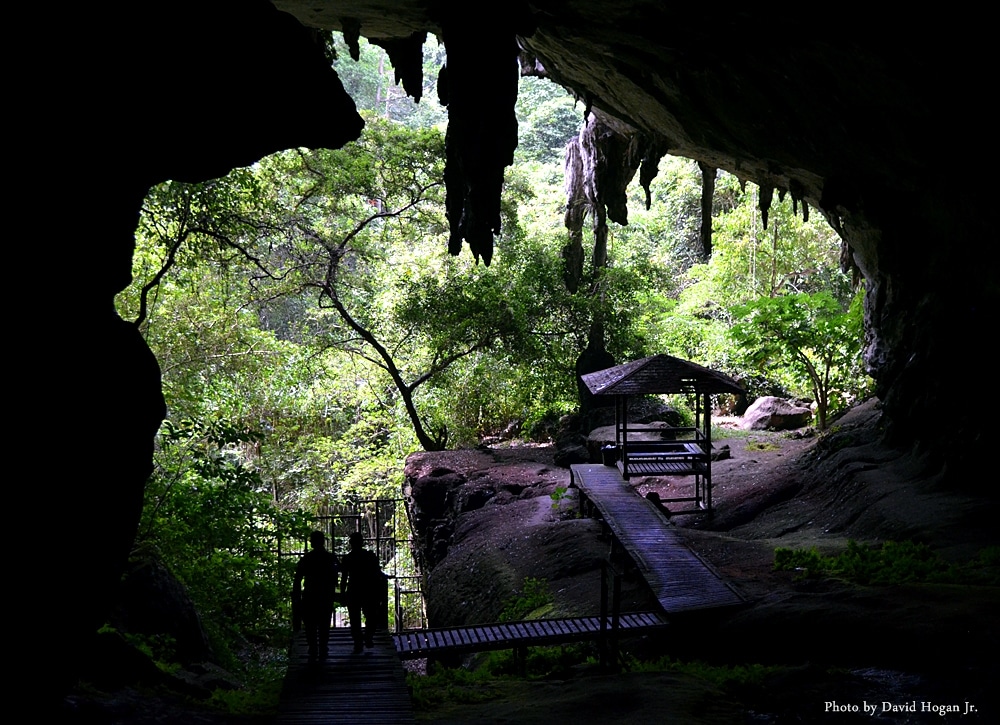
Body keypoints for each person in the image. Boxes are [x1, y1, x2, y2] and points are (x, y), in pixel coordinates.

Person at [293, 531, 341, 662]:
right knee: (324, 623)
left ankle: (313, 648)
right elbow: (337, 574)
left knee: (310, 624)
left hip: (310, 595)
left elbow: (297, 579)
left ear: (312, 542)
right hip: (325, 595)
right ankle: (323, 647)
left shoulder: (307, 559)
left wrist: (296, 596)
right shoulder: (330, 558)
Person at [340, 532, 387, 654]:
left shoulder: (347, 558)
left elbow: (344, 578)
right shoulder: (369, 556)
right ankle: (368, 637)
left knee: (355, 619)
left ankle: (358, 643)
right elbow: (377, 572)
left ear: (350, 543)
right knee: (371, 616)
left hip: (354, 590)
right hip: (368, 590)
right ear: (362, 542)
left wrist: (342, 593)